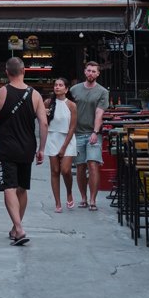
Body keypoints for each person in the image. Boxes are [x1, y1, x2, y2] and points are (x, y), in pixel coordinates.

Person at [0, 56, 48, 246]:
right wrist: (42, 149)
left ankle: (19, 228)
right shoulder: (35, 95)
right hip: (27, 147)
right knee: (22, 187)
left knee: (9, 187)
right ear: (24, 71)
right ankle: (16, 227)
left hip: (7, 147)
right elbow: (44, 123)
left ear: (6, 72)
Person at [70, 61, 109, 211]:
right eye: (89, 71)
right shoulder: (74, 90)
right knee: (80, 166)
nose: (91, 73)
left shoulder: (102, 92)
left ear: (98, 74)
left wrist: (95, 131)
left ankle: (93, 199)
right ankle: (83, 198)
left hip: (93, 133)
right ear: (85, 72)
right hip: (77, 133)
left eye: (94, 71)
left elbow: (99, 113)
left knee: (93, 164)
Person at [43, 77, 77, 212]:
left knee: (66, 170)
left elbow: (73, 127)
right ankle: (57, 202)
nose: (57, 87)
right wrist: (44, 113)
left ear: (66, 89)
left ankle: (69, 192)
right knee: (55, 171)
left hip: (67, 139)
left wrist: (63, 147)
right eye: (55, 85)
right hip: (52, 138)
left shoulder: (71, 105)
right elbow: (42, 122)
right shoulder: (48, 102)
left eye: (60, 85)